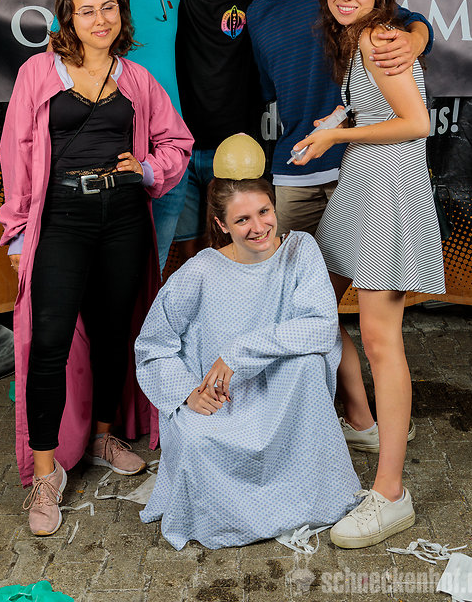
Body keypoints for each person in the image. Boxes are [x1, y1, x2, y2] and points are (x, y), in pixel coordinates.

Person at [0, 0, 193, 536]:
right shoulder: (38, 73)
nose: (100, 19)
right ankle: (45, 474)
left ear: (121, 15)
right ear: (67, 19)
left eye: (108, 8)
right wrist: (17, 232)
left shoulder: (136, 78)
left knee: (114, 333)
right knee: (49, 343)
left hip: (123, 218)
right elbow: (17, 152)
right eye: (86, 10)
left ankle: (104, 436)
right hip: (61, 218)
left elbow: (176, 140)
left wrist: (149, 169)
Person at [135, 134, 360, 551]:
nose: (258, 228)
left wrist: (238, 352)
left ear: (275, 207)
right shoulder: (200, 271)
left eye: (264, 211)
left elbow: (321, 327)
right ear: (221, 225)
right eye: (242, 220)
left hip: (285, 396)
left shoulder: (301, 250)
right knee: (198, 438)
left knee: (310, 362)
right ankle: (235, 518)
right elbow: (152, 346)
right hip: (225, 399)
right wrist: (186, 393)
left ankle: (309, 499)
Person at [292, 0, 445, 548]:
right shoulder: (360, 39)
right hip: (363, 185)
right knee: (316, 307)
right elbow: (382, 106)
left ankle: (390, 494)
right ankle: (361, 420)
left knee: (382, 341)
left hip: (387, 190)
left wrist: (338, 138)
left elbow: (416, 122)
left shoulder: (383, 39)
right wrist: (340, 119)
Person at [228, 0, 434, 238]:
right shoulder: (257, 13)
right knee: (292, 265)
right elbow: (270, 89)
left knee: (364, 263)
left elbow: (407, 20)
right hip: (297, 164)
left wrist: (415, 40)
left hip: (354, 161)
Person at [58, 0, 184, 272]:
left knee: (150, 272)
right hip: (110, 148)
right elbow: (55, 61)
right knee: (106, 276)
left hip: (166, 148)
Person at [172, 0, 264, 260]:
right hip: (180, 145)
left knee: (228, 245)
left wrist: (417, 28)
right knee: (187, 248)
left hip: (235, 145)